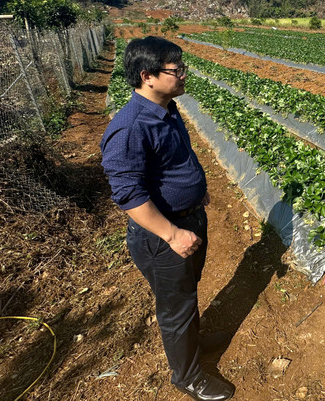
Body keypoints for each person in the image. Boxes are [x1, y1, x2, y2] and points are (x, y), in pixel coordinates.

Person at [100, 36, 235, 401]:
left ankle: (193, 342)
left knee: (186, 295)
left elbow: (174, 160)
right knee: (175, 308)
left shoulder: (167, 107)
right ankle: (188, 377)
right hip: (163, 236)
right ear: (148, 76)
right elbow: (127, 194)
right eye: (176, 70)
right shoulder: (130, 127)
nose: (184, 75)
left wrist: (194, 189)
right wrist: (172, 234)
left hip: (188, 218)